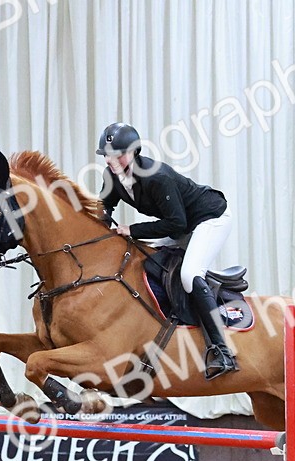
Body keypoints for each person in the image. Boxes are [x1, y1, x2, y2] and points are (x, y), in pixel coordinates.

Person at [97, 122, 238, 380]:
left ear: (134, 152)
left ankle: (222, 351)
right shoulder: (111, 176)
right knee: (144, 259)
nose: (112, 160)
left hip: (209, 218)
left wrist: (133, 230)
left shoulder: (156, 177)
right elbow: (105, 206)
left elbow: (177, 224)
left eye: (118, 154)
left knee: (189, 274)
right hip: (179, 224)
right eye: (107, 155)